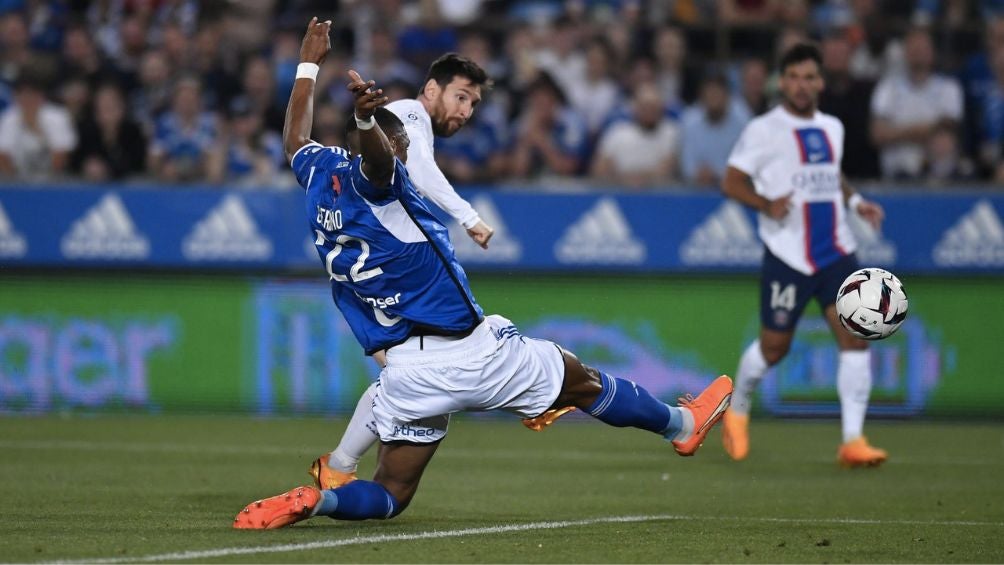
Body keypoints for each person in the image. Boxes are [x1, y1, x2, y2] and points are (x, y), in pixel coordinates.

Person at [233, 18, 733, 529]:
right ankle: (682, 425)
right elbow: (380, 167)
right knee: (578, 377)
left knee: (392, 494)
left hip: (408, 371)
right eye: (405, 148)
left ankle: (323, 498)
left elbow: (295, 135)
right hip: (471, 353)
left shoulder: (318, 170)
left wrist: (308, 63)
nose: (410, 157)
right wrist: (370, 128)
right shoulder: (381, 185)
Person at [305, 50, 515, 493]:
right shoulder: (406, 116)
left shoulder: (404, 128)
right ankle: (340, 467)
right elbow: (417, 169)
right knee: (416, 374)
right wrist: (469, 216)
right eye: (461, 97)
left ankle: (342, 466)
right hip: (381, 275)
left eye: (474, 104)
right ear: (432, 89)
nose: (466, 110)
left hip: (366, 275)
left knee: (405, 377)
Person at [719, 43, 888, 468]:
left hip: (835, 250)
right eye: (793, 76)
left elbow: (832, 175)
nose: (801, 84)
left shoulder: (832, 127)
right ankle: (737, 410)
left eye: (809, 77)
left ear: (820, 82)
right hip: (788, 254)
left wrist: (855, 203)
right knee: (775, 348)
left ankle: (853, 440)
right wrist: (765, 203)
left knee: (855, 336)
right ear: (782, 82)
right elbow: (732, 182)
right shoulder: (763, 129)